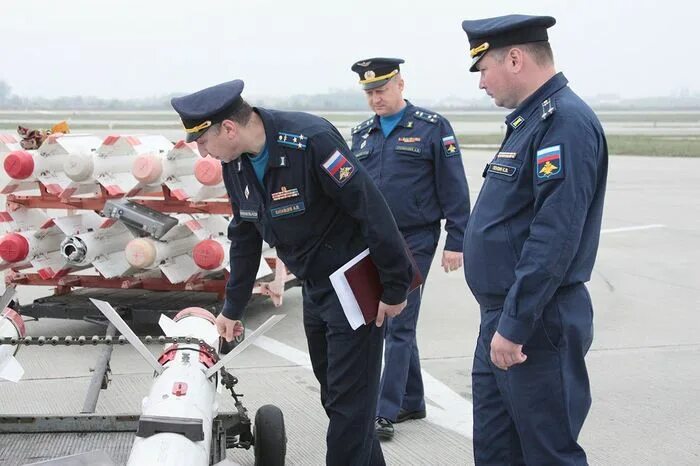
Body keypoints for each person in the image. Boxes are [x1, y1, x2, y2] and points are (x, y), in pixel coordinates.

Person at [171, 79, 413, 466]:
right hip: (316, 286)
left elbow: (370, 207)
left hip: (353, 283)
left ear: (229, 129)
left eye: (202, 141)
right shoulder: (235, 164)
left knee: (350, 406)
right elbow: (245, 233)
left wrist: (395, 286)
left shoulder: (311, 140)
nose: (201, 151)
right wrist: (232, 308)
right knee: (336, 397)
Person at [460, 14, 608, 465]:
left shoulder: (563, 122)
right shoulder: (530, 122)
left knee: (547, 453)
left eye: (483, 69)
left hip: (536, 321)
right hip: (505, 316)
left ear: (516, 59)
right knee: (496, 451)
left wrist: (516, 323)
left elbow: (554, 235)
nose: (482, 84)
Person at [349, 58, 470, 440]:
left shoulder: (432, 128)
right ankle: (412, 399)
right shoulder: (362, 134)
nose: (375, 99)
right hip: (375, 239)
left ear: (400, 84)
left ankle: (384, 412)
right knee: (395, 322)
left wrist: (457, 239)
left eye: (381, 90)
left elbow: (454, 185)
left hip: (416, 238)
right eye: (369, 93)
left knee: (397, 319)